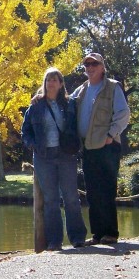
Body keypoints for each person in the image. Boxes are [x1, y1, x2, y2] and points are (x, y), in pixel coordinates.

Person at [21, 67, 87, 251]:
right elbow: (25, 131)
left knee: (71, 197)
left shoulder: (69, 103)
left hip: (66, 155)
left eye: (55, 80)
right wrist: (33, 145)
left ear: (60, 83)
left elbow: (76, 124)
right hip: (44, 157)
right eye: (48, 79)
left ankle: (77, 238)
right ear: (44, 82)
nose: (51, 83)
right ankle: (55, 241)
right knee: (51, 200)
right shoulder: (35, 106)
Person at [71, 53, 130, 245]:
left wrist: (110, 135)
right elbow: (63, 101)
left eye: (94, 63)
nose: (90, 67)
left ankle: (111, 233)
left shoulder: (112, 87)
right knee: (93, 192)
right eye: (87, 64)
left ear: (102, 67)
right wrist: (41, 95)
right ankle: (97, 234)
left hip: (107, 146)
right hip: (88, 147)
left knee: (106, 189)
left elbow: (123, 113)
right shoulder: (81, 90)